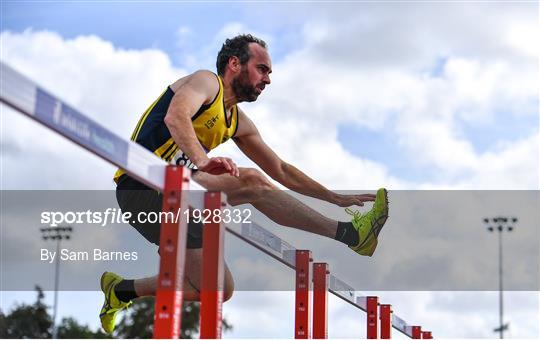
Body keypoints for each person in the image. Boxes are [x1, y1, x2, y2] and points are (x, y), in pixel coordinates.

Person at [99, 34, 388, 334]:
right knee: (249, 182)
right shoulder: (206, 83)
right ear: (235, 64)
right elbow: (176, 116)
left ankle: (121, 290)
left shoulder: (236, 120)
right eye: (262, 69)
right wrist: (201, 160)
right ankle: (348, 234)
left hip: (179, 188)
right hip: (142, 187)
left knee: (219, 289)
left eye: (269, 73)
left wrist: (333, 197)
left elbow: (281, 170)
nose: (268, 80)